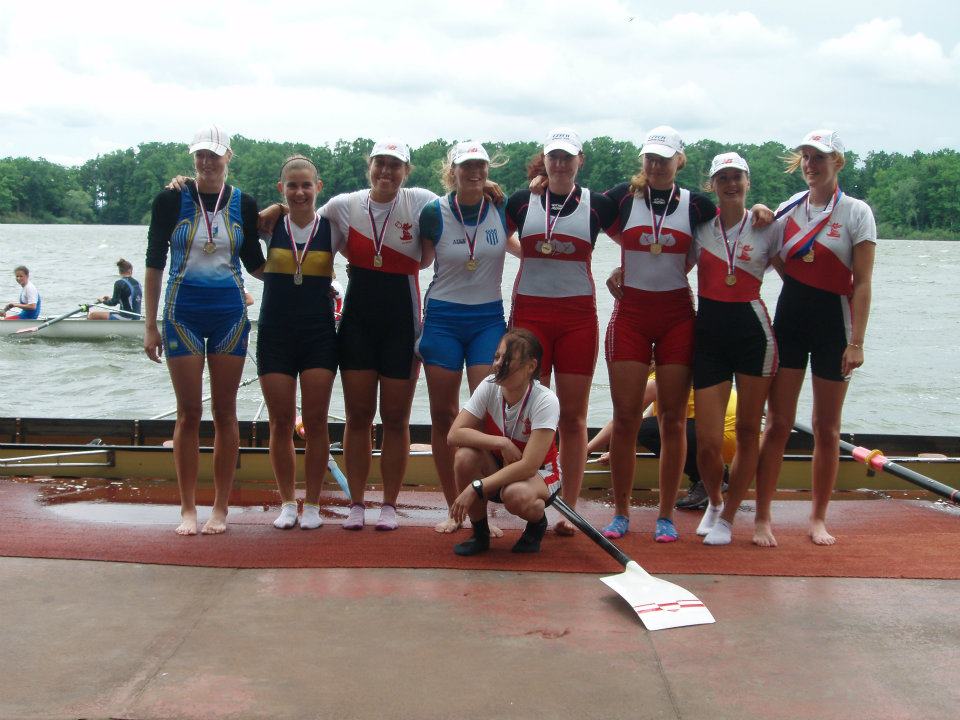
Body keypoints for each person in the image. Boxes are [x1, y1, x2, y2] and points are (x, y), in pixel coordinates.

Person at [753, 130, 876, 547]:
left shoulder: (857, 212)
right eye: (806, 157)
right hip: (790, 319)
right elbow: (767, 252)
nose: (810, 164)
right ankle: (763, 517)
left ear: (837, 162)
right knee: (778, 423)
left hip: (834, 328)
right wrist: (758, 211)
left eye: (819, 157)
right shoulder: (789, 207)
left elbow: (863, 283)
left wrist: (857, 342)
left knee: (827, 428)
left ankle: (818, 518)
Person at [143, 125, 265, 536]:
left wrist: (306, 270)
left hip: (230, 315)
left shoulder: (244, 203)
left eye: (214, 154)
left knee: (225, 412)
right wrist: (149, 326)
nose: (206, 162)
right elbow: (154, 262)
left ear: (228, 156)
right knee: (189, 413)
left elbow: (256, 263)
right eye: (200, 155)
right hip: (182, 315)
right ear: (193, 157)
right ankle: (187, 508)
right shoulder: (170, 199)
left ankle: (221, 508)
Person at [601, 126, 719, 542]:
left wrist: (760, 210)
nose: (655, 165)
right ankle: (621, 512)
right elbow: (574, 208)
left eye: (664, 159)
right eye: (649, 158)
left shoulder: (698, 205)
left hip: (676, 317)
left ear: (679, 161)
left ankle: (665, 515)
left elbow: (735, 228)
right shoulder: (622, 198)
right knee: (626, 418)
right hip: (631, 315)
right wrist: (539, 183)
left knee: (672, 419)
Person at [504, 128, 619, 536]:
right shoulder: (522, 201)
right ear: (545, 159)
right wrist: (526, 252)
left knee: (572, 416)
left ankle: (569, 504)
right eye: (554, 156)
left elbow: (639, 238)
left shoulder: (597, 205)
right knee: (532, 412)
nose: (560, 164)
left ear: (579, 161)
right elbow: (489, 234)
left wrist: (623, 271)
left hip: (576, 318)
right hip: (530, 314)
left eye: (567, 157)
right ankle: (531, 492)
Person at [690, 152, 782, 545]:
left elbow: (797, 276)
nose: (730, 184)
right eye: (723, 178)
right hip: (709, 335)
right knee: (707, 442)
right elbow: (667, 267)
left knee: (747, 430)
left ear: (748, 182)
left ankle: (728, 519)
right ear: (711, 184)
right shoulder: (699, 228)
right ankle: (714, 500)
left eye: (737, 177)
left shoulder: (767, 226)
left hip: (753, 335)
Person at [418, 142, 509, 535]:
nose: (474, 172)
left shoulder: (502, 207)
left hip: (488, 319)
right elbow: (419, 260)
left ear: (487, 170)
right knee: (444, 415)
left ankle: (481, 509)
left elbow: (530, 227)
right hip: (443, 318)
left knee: (484, 415)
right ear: (451, 171)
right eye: (466, 166)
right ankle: (451, 508)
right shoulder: (432, 212)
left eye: (480, 166)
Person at [258, 155, 337, 531]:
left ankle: (314, 504)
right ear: (281, 189)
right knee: (280, 422)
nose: (300, 192)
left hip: (318, 334)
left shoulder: (333, 228)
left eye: (307, 185)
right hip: (275, 333)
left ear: (318, 187)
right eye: (292, 186)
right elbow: (232, 227)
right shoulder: (269, 225)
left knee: (317, 422)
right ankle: (288, 502)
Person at [448, 329, 561, 555]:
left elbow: (529, 466)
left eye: (507, 359)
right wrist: (501, 443)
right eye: (497, 357)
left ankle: (537, 523)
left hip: (541, 474)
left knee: (515, 495)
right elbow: (454, 435)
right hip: (502, 466)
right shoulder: (490, 385)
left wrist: (477, 486)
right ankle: (480, 534)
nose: (498, 364)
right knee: (464, 456)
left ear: (530, 366)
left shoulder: (546, 400)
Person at [586, 370, 737, 515]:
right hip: (727, 438)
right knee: (652, 428)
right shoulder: (670, 378)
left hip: (722, 436)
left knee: (647, 430)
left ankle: (709, 479)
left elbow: (625, 419)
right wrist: (618, 450)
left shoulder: (656, 381)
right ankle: (712, 476)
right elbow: (644, 422)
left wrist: (586, 450)